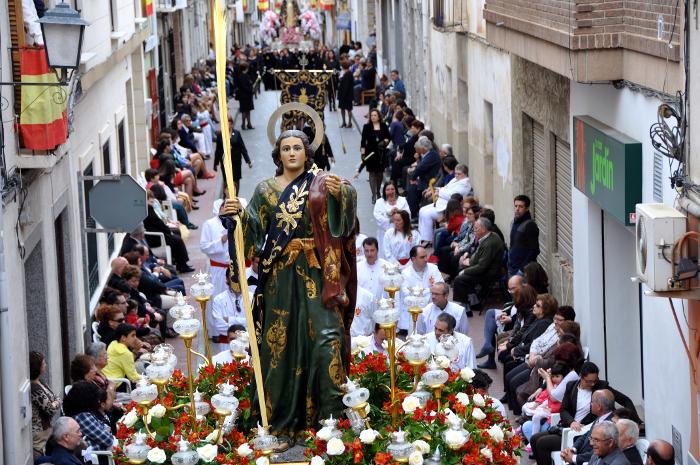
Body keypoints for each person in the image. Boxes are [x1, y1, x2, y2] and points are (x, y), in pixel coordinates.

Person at [222, 129, 357, 447]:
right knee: (278, 348)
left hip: (318, 276)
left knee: (327, 343)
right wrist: (237, 216)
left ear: (307, 152)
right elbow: (253, 229)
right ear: (278, 154)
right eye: (286, 148)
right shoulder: (265, 189)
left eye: (298, 147)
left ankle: (330, 423)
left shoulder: (321, 182)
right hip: (281, 278)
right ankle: (280, 426)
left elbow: (345, 222)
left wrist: (342, 195)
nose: (293, 152)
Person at [452, 217, 506, 309]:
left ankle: (466, 306)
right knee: (461, 268)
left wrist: (466, 271)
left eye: (476, 228)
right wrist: (469, 260)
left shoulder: (490, 243)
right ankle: (474, 301)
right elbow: (478, 255)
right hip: (484, 268)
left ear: (484, 229)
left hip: (489, 273)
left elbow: (482, 267)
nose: (474, 230)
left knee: (459, 279)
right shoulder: (488, 236)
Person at [418, 163, 472, 244]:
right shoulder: (455, 179)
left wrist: (438, 192)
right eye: (455, 173)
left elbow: (452, 195)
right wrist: (434, 188)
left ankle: (427, 240)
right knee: (422, 210)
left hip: (449, 208)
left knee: (426, 214)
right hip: (441, 202)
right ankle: (423, 236)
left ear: (465, 174)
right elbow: (445, 188)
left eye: (459, 174)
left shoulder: (465, 185)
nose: (456, 175)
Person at [62, 381, 114, 461]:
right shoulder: (83, 416)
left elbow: (106, 428)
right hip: (99, 457)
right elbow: (108, 440)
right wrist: (105, 430)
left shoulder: (81, 412)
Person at [398, 246, 444, 334]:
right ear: (413, 259)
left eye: (426, 256)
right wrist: (430, 290)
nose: (426, 259)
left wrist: (421, 291)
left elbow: (441, 286)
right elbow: (408, 294)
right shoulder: (405, 273)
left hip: (433, 310)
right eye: (422, 257)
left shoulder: (433, 268)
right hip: (414, 314)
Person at [30, 351, 61, 457]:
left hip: (46, 431)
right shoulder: (34, 388)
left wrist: (55, 401)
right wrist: (56, 402)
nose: (46, 365)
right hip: (39, 433)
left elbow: (55, 397)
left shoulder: (41, 382)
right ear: (37, 367)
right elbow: (50, 408)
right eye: (43, 363)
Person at [357, 109, 390, 203]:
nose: (373, 117)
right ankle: (373, 195)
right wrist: (363, 154)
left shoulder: (383, 126)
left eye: (375, 115)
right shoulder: (366, 127)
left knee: (379, 174)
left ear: (379, 116)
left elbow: (388, 137)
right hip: (370, 153)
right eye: (371, 115)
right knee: (372, 173)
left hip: (381, 153)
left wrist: (384, 142)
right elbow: (363, 142)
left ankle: (378, 191)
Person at [200, 199, 231, 297]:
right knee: (217, 297)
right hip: (217, 270)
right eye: (227, 207)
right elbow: (203, 246)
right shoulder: (210, 224)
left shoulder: (237, 223)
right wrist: (221, 241)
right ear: (221, 208)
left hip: (234, 271)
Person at [214, 117, 251, 193]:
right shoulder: (220, 135)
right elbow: (218, 150)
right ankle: (226, 197)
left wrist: (248, 160)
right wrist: (215, 163)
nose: (226, 125)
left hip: (236, 161)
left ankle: (236, 195)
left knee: (236, 179)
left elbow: (242, 147)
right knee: (227, 180)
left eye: (228, 123)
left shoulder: (237, 133)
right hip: (225, 162)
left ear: (231, 124)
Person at [407, 136, 442, 217]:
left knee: (413, 189)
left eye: (419, 148)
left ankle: (413, 214)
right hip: (426, 178)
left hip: (429, 180)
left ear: (424, 148)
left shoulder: (432, 155)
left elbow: (420, 168)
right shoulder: (429, 154)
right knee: (411, 187)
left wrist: (413, 179)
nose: (417, 150)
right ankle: (411, 211)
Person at [373, 181, 410, 253]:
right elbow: (377, 217)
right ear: (384, 191)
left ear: (396, 190)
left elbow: (408, 214)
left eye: (392, 189)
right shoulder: (379, 202)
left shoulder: (403, 200)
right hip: (384, 233)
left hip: (401, 232)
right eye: (388, 189)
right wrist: (390, 218)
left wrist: (400, 213)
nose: (390, 191)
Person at [508, 194, 540, 276]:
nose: (517, 209)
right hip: (512, 267)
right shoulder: (514, 222)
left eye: (520, 206)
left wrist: (522, 270)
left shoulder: (530, 225)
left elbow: (535, 250)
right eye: (516, 206)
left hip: (522, 272)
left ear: (527, 208)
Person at [356, 237, 389, 302]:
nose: (369, 254)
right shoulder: (357, 267)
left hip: (381, 308)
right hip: (363, 307)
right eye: (367, 251)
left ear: (377, 250)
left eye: (372, 250)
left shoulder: (387, 267)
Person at [236, 62, 255, 129]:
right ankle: (244, 124)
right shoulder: (244, 76)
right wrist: (251, 89)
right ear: (246, 68)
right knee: (245, 111)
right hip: (245, 95)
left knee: (247, 110)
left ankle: (248, 124)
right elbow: (244, 86)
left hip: (244, 95)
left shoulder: (240, 76)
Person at [338, 61, 354, 128]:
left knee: (349, 109)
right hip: (342, 94)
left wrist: (343, 95)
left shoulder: (348, 73)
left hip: (347, 95)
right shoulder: (344, 73)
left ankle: (350, 122)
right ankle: (344, 122)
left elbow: (346, 86)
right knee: (342, 109)